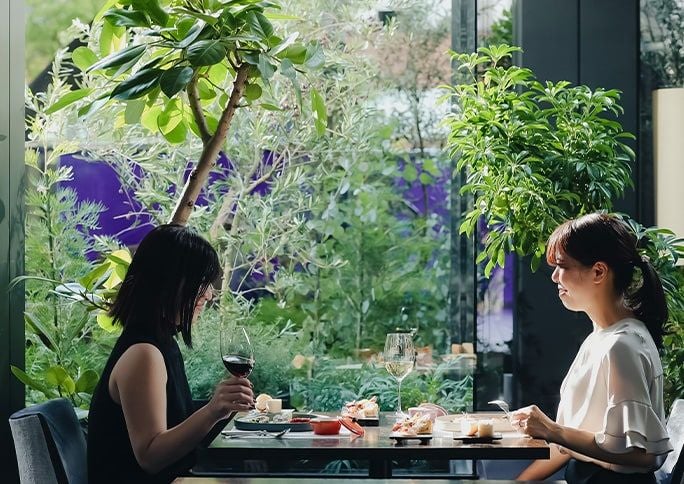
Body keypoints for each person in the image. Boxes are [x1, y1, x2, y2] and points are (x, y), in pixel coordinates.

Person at [511, 213, 673, 484]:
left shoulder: (622, 345)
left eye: (562, 266)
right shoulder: (603, 336)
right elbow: (574, 440)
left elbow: (643, 454)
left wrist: (552, 430)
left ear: (599, 271)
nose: (554, 277)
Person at [88, 224, 255, 483]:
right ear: (171, 283)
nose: (209, 295)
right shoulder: (143, 354)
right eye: (202, 283)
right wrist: (212, 411)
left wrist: (221, 410)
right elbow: (150, 456)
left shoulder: (160, 343)